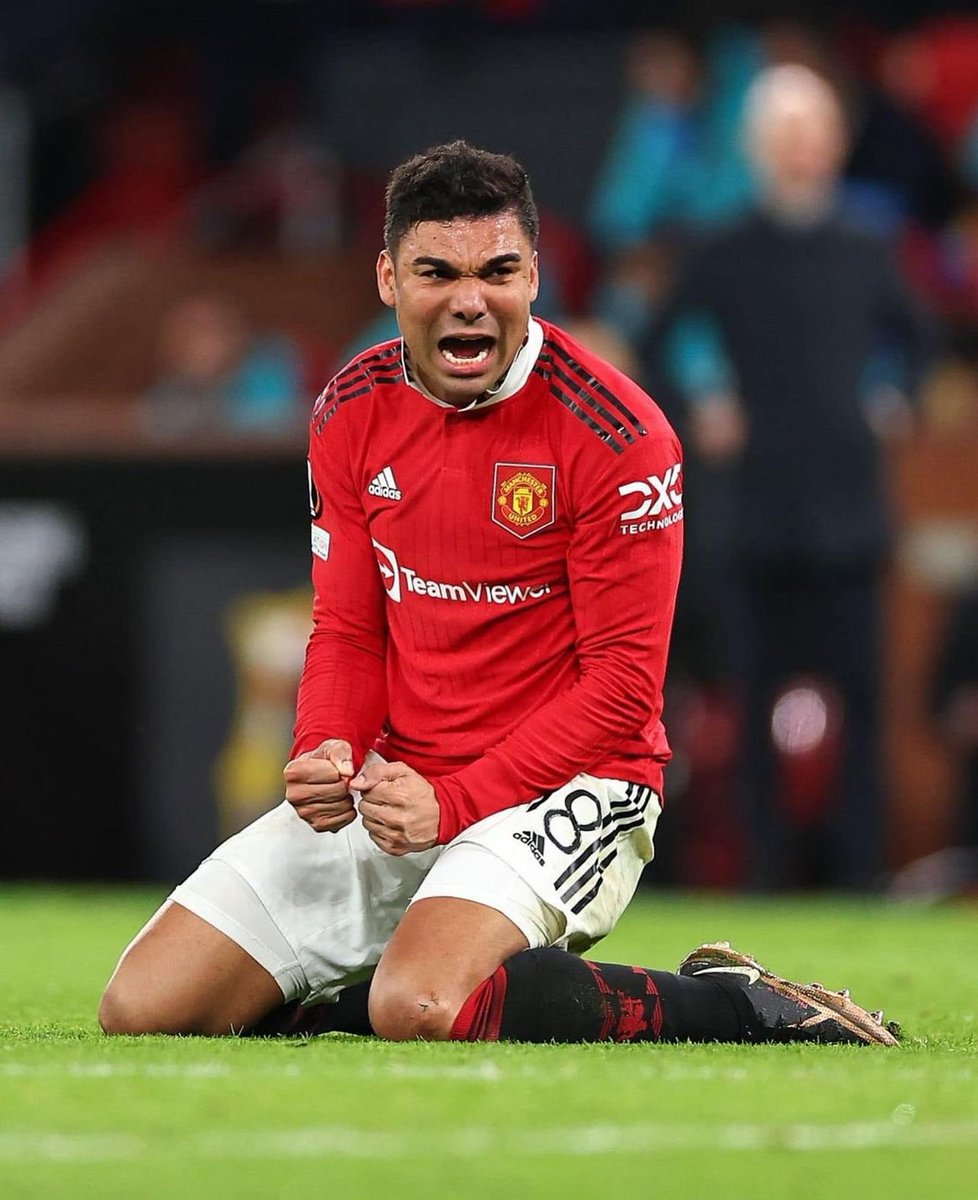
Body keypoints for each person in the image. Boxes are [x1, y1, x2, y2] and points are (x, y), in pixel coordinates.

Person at [99, 141, 897, 1047]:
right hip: (404, 784)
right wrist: (326, 747)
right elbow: (350, 629)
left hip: (572, 784)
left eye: (498, 271)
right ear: (388, 278)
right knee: (145, 1008)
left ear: (535, 276)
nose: (470, 299)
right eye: (437, 272)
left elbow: (623, 690)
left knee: (421, 1005)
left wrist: (455, 801)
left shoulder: (618, 434)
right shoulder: (350, 407)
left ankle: (737, 1004)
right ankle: (392, 979)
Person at [661, 66, 937, 891]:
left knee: (863, 705)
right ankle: (765, 875)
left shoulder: (866, 244)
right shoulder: (725, 249)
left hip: (849, 517)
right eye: (784, 136)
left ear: (836, 143)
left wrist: (894, 393)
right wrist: (704, 400)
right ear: (756, 148)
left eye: (812, 133)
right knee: (752, 708)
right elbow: (661, 339)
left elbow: (920, 337)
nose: (800, 150)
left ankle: (860, 875)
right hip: (756, 520)